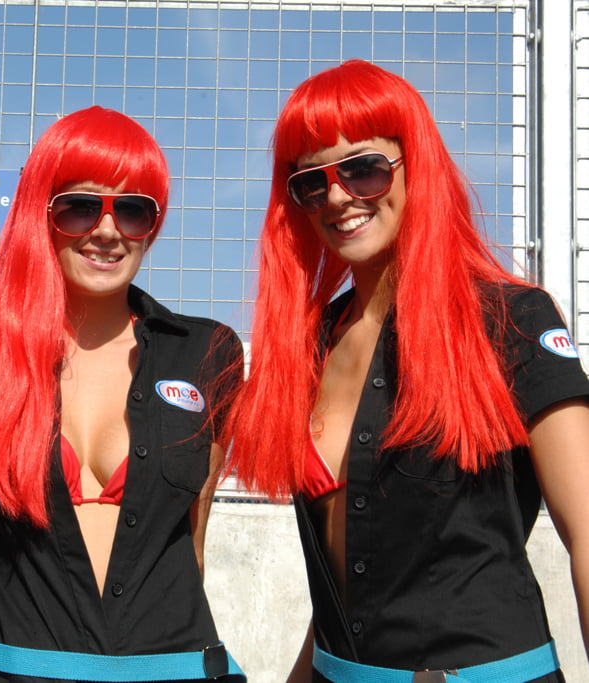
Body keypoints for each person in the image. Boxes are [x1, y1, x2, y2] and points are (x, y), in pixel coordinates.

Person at [224, 59, 589, 682]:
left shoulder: (510, 321)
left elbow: (586, 532)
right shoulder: (306, 349)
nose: (337, 196)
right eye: (311, 181)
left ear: (414, 166)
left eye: (362, 168)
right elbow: (353, 584)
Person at [0, 105, 246, 682]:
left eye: (134, 211)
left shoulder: (207, 354)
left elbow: (192, 546)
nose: (109, 231)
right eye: (80, 206)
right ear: (40, 215)